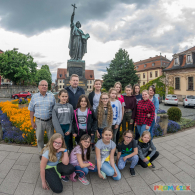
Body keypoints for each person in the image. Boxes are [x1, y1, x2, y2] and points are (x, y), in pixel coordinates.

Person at [28, 80, 56, 155]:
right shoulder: (34, 97)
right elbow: (31, 110)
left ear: (48, 87)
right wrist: (32, 121)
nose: (44, 86)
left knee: (51, 138)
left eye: (46, 85)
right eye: (42, 85)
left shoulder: (51, 97)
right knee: (39, 138)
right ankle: (41, 153)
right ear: (39, 87)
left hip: (50, 121)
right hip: (39, 121)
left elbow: (55, 110)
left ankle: (50, 154)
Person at [65, 74, 85, 151]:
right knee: (69, 133)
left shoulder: (81, 90)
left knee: (78, 133)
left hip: (78, 114)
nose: (75, 82)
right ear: (70, 81)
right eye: (74, 80)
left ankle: (79, 150)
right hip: (68, 114)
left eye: (77, 80)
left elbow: (84, 101)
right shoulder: (66, 90)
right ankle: (69, 150)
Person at [88, 79, 102, 151]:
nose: (98, 85)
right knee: (93, 128)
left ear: (101, 85)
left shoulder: (102, 94)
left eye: (99, 84)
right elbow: (89, 104)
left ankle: (99, 143)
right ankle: (92, 143)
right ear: (94, 85)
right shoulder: (91, 94)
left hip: (101, 113)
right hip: (93, 113)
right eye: (96, 84)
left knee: (100, 128)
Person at [114, 82, 125, 146]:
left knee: (117, 131)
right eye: (116, 87)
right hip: (113, 116)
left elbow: (123, 107)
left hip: (119, 116)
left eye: (119, 87)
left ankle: (117, 144)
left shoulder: (121, 97)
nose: (118, 88)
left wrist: (122, 116)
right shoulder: (113, 95)